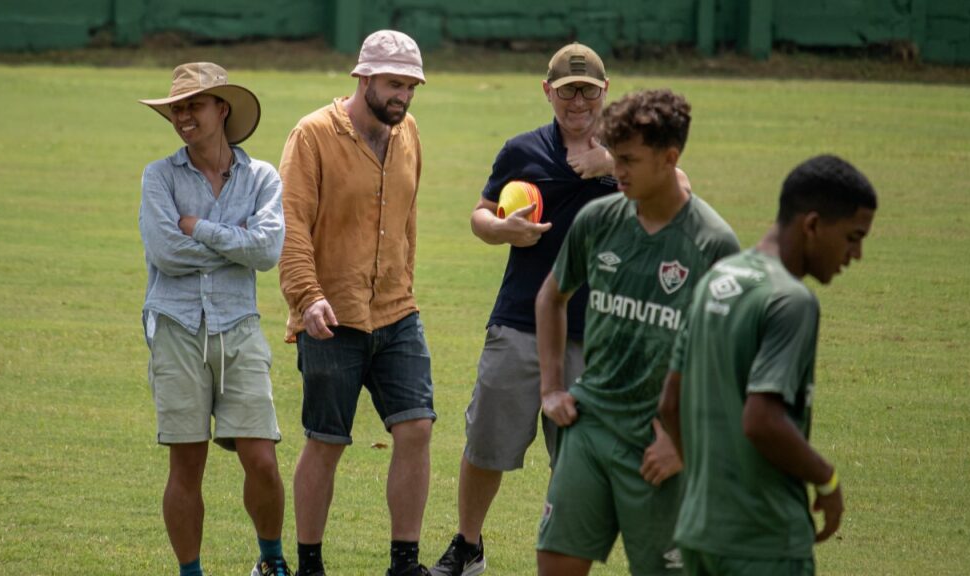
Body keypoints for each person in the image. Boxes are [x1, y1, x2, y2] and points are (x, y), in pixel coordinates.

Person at [429, 42, 625, 576]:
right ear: (547, 92)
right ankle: (468, 546)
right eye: (566, 91)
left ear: (605, 92)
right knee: (487, 442)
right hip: (520, 321)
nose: (577, 101)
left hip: (595, 329)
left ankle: (565, 555)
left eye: (587, 90)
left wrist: (612, 163)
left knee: (579, 458)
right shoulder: (522, 151)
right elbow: (480, 214)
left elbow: (677, 190)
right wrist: (502, 229)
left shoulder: (631, 152)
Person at [534, 89, 740, 576]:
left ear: (670, 158)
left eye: (627, 159)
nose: (615, 169)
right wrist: (550, 388)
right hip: (591, 426)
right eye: (612, 155)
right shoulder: (599, 220)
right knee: (555, 562)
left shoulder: (712, 243)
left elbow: (734, 362)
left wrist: (684, 442)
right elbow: (551, 297)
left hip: (659, 445)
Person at [658, 155, 877, 576]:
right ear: (812, 225)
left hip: (699, 530)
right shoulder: (791, 301)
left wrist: (706, 488)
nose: (857, 254)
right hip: (765, 540)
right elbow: (761, 421)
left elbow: (670, 403)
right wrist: (827, 480)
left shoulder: (715, 280)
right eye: (853, 237)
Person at [277, 30, 433, 576]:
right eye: (394, 84)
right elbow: (290, 225)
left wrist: (404, 284)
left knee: (417, 427)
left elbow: (408, 222)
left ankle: (404, 563)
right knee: (326, 441)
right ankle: (310, 565)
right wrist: (306, 296)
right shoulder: (312, 135)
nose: (404, 97)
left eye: (411, 86)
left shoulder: (408, 131)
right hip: (330, 315)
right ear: (362, 78)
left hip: (397, 310)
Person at [138, 62, 291, 576]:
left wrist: (198, 227)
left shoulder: (263, 176)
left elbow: (268, 251)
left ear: (221, 108)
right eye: (177, 108)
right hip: (175, 327)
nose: (183, 116)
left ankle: (271, 561)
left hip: (239, 325)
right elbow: (166, 254)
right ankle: (191, 573)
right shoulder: (158, 176)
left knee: (263, 460)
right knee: (186, 466)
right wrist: (234, 242)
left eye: (194, 105)